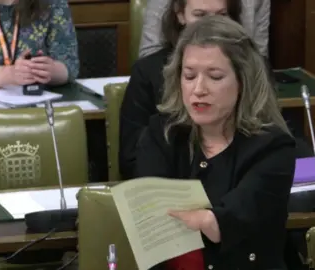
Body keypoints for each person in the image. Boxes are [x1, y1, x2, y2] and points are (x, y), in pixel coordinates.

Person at [136, 15, 296, 270]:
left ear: (243, 82)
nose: (199, 89)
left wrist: (204, 219)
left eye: (215, 76)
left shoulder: (273, 148)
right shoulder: (162, 134)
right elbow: (149, 222)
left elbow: (229, 220)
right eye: (189, 76)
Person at [120, 0, 245, 180]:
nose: (210, 26)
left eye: (221, 16)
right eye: (200, 15)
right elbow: (131, 161)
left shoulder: (266, 138)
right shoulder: (160, 129)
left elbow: (293, 162)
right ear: (180, 14)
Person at [139, 0, 270, 57]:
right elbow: (149, 56)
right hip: (174, 75)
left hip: (238, 71)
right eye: (200, 15)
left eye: (222, 14)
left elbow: (259, 55)